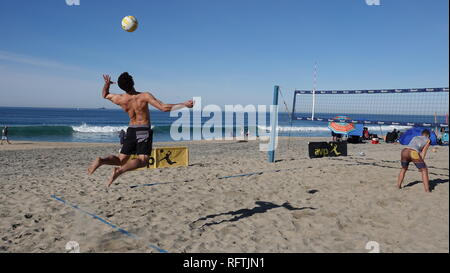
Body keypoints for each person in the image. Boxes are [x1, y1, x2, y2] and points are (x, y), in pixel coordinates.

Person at [87, 73, 194, 186]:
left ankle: (102, 161)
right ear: (133, 82)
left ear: (121, 86)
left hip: (131, 130)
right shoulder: (144, 96)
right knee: (143, 161)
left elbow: (105, 94)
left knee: (121, 160)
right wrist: (184, 104)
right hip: (143, 130)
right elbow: (163, 108)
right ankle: (119, 171)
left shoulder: (119, 98)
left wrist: (107, 84)